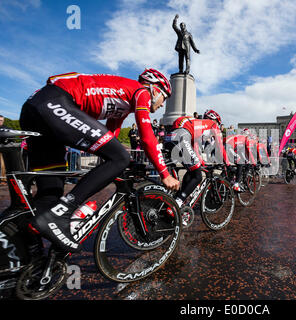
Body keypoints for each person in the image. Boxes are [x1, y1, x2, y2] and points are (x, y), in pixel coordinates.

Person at [19, 68, 180, 253]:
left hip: (37, 107)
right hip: (55, 101)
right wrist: (164, 174)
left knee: (50, 192)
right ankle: (64, 212)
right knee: (121, 157)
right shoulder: (141, 92)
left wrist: (119, 164)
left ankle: (28, 248)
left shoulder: (123, 104)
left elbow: (110, 136)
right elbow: (146, 137)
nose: (162, 105)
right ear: (155, 89)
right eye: (164, 98)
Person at [166, 109, 229, 211]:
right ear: (215, 120)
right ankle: (176, 204)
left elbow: (195, 148)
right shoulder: (212, 124)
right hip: (181, 136)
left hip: (170, 137)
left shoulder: (196, 123)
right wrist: (228, 163)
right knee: (198, 176)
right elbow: (219, 146)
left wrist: (201, 163)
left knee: (193, 170)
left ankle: (177, 198)